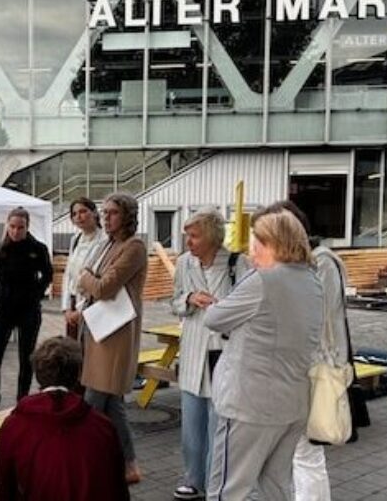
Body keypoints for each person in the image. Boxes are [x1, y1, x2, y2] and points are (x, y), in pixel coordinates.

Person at [203, 210, 323, 501]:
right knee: (276, 487)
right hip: (292, 404)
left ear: (271, 243)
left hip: (249, 404)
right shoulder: (312, 281)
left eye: (255, 243)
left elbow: (215, 319)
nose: (250, 251)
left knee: (228, 490)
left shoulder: (261, 281)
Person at [259, 200, 355, 501]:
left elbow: (315, 317)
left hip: (313, 371)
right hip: (293, 369)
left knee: (306, 453)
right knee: (294, 454)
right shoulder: (297, 265)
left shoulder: (321, 262)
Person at [168, 210, 249, 501]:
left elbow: (248, 306)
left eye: (194, 235)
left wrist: (222, 307)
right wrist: (189, 299)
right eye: (187, 235)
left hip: (222, 350)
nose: (189, 241)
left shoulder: (238, 263)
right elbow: (174, 301)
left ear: (213, 237)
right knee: (192, 420)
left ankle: (217, 482)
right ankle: (193, 479)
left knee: (219, 421)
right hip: (193, 348)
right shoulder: (184, 263)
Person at [0, 337, 130, 501]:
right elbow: (118, 487)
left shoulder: (14, 426)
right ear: (78, 374)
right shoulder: (102, 426)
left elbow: (1, 484)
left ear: (37, 374)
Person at [77, 193, 148, 485]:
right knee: (113, 404)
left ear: (127, 215)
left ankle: (84, 461)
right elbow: (94, 279)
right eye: (104, 213)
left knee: (94, 402)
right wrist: (87, 279)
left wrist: (85, 278)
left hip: (115, 333)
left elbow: (103, 286)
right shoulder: (110, 243)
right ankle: (128, 464)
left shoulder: (134, 247)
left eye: (113, 213)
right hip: (99, 327)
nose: (106, 218)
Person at [0, 207, 53, 412]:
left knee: (26, 358)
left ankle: (22, 399)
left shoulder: (37, 248)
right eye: (12, 227)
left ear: (27, 227)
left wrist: (36, 293)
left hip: (28, 310)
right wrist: (7, 294)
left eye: (20, 228)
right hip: (4, 309)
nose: (15, 232)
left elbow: (48, 274)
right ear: (7, 226)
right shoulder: (0, 250)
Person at [61, 197, 107, 338]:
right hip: (74, 300)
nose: (79, 217)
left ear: (94, 213)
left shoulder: (105, 240)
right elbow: (69, 273)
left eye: (83, 211)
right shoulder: (75, 240)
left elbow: (98, 276)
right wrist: (67, 308)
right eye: (74, 214)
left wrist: (80, 311)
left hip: (92, 304)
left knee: (89, 348)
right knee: (73, 350)